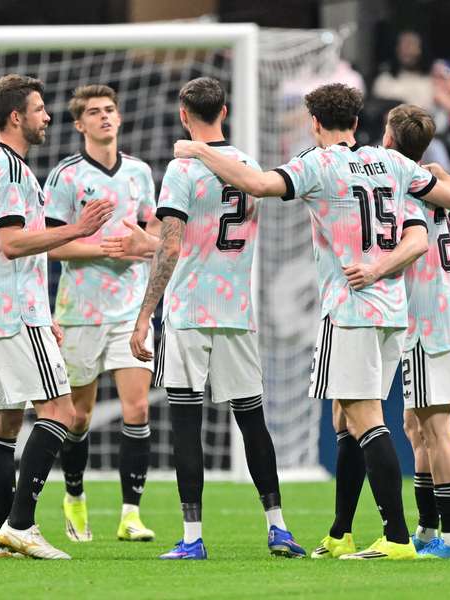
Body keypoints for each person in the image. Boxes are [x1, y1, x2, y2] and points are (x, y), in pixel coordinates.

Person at [174, 83, 450, 560]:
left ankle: (395, 538)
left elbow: (259, 184)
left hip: (350, 307)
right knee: (345, 418)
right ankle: (341, 531)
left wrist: (199, 150)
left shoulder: (318, 164)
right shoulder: (390, 161)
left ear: (315, 122)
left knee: (365, 418)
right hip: (393, 310)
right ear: (356, 121)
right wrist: (432, 173)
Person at [124, 77, 305, 560]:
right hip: (236, 310)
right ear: (224, 111)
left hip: (188, 310)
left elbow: (171, 244)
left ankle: (192, 538)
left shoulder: (183, 168)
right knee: (252, 421)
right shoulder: (246, 165)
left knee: (186, 424)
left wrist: (145, 314)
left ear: (185, 115)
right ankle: (278, 527)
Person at [0, 74, 113, 559]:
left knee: (2, 425)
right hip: (15, 311)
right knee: (63, 413)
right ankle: (22, 524)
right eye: (39, 108)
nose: (47, 116)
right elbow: (11, 243)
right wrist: (79, 228)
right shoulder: (7, 168)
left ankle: (6, 537)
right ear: (15, 117)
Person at [44, 84, 161, 544]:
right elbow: (51, 244)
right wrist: (99, 248)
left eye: (110, 110)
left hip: (130, 307)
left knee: (136, 409)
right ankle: (74, 496)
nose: (104, 117)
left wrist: (142, 246)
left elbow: (151, 230)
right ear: (79, 124)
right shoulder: (66, 176)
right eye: (94, 112)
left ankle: (131, 515)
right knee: (77, 416)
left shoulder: (139, 172)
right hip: (80, 309)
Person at [384, 104, 450, 560]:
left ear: (390, 141)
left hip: (425, 324)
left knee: (437, 430)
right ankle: (426, 529)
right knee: (416, 426)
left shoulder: (406, 193)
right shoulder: (448, 194)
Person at [372, 30, 433, 110]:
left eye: (411, 43)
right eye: (402, 43)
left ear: (420, 49)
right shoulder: (384, 80)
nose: (406, 48)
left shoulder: (430, 82)